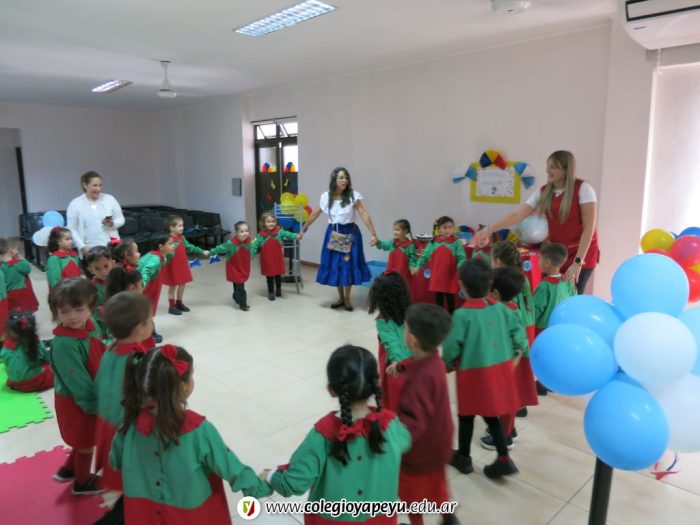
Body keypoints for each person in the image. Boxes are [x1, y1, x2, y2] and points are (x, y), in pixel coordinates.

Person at [110, 345, 272, 523]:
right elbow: (231, 468)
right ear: (183, 387)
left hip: (143, 514)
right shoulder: (198, 430)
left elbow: (115, 460)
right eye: (191, 375)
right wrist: (261, 485)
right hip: (189, 517)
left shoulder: (128, 423)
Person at [262, 345, 411, 524]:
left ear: (331, 390)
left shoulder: (322, 435)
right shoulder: (392, 425)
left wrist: (270, 476)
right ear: (375, 386)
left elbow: (294, 483)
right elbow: (406, 441)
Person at [443, 259, 525, 479]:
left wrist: (446, 364)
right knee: (491, 415)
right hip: (499, 370)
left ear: (461, 284)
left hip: (473, 374)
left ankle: (463, 458)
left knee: (466, 415)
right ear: (490, 284)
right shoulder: (501, 308)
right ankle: (504, 458)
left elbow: (452, 346)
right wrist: (516, 353)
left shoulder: (462, 315)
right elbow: (518, 333)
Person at [474, 151, 599, 294]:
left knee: (572, 296)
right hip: (557, 255)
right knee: (553, 294)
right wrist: (488, 230)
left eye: (553, 167)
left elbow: (589, 229)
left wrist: (577, 263)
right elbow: (517, 215)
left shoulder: (583, 189)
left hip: (580, 253)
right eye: (548, 166)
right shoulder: (544, 191)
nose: (548, 170)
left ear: (566, 169)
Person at [392, 304, 458, 525]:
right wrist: (400, 366)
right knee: (437, 483)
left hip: (419, 450)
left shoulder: (418, 381)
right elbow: (415, 363)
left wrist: (391, 440)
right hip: (440, 440)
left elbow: (413, 423)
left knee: (411, 495)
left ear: (413, 339)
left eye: (405, 328)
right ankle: (448, 517)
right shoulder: (434, 360)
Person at [48, 278, 105, 495]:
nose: (72, 317)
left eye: (79, 309)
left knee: (83, 439)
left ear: (91, 307)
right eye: (64, 312)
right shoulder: (64, 344)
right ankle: (82, 482)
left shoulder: (91, 325)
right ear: (56, 313)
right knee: (86, 443)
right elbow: (77, 382)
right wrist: (94, 406)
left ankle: (69, 469)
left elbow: (100, 345)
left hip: (92, 394)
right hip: (77, 402)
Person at [94, 292, 153, 495]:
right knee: (131, 471)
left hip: (106, 420)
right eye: (150, 319)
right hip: (127, 426)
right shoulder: (138, 359)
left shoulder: (111, 348)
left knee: (116, 467)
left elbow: (99, 382)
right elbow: (147, 395)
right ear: (139, 328)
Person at [301, 167, 378, 311]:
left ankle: (347, 299)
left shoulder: (353, 196)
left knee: (348, 265)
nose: (344, 180)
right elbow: (315, 213)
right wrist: (303, 229)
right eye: (341, 178)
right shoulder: (327, 197)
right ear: (334, 180)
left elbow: (364, 213)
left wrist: (373, 234)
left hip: (350, 234)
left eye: (346, 178)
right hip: (334, 234)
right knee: (337, 265)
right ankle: (341, 298)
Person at [479, 267, 538, 451]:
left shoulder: (505, 313)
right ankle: (509, 430)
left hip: (510, 365)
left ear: (495, 294)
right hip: (510, 363)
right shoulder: (508, 308)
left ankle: (504, 438)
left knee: (506, 402)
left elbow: (518, 342)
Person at [367, 271, 412, 412]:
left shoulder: (383, 320)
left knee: (392, 401)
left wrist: (397, 362)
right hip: (411, 363)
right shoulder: (409, 312)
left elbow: (391, 343)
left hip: (394, 367)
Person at [410, 216, 466, 313]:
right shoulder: (433, 242)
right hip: (438, 277)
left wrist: (460, 268)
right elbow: (424, 256)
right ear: (439, 229)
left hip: (450, 276)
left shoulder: (456, 242)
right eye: (444, 227)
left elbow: (462, 257)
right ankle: (439, 317)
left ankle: (451, 317)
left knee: (450, 299)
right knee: (439, 300)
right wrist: (418, 267)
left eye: (450, 227)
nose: (448, 230)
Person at [66, 171, 125, 258]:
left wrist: (112, 223)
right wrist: (82, 247)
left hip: (113, 244)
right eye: (95, 185)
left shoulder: (110, 199)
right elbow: (72, 229)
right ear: (85, 185)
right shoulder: (75, 204)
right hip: (90, 248)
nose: (98, 189)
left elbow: (121, 219)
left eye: (100, 185)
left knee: (115, 265)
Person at [161, 214, 209, 315]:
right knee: (173, 286)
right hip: (172, 266)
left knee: (182, 284)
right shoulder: (168, 239)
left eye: (182, 225)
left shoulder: (181, 237)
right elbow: (163, 252)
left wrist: (201, 251)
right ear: (171, 227)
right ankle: (172, 306)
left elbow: (189, 246)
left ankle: (179, 303)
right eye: (179, 226)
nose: (182, 227)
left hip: (182, 265)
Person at [0, 309, 53, 392]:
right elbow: (48, 359)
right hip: (33, 383)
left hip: (15, 383)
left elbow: (5, 361)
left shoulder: (6, 347)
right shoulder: (35, 344)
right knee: (54, 370)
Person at [252, 211, 300, 301]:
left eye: (273, 221)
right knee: (269, 276)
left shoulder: (279, 232)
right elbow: (254, 246)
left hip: (277, 259)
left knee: (278, 275)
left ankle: (278, 289)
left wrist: (295, 235)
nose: (271, 223)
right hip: (267, 260)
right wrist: (250, 255)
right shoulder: (260, 235)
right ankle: (271, 292)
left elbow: (287, 234)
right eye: (268, 222)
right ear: (264, 223)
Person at [136, 233, 175, 343]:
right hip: (147, 290)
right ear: (161, 247)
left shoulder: (153, 254)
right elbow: (146, 270)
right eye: (170, 244)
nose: (173, 246)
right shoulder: (156, 259)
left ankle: (151, 331)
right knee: (146, 311)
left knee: (147, 311)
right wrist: (142, 286)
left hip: (150, 288)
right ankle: (149, 334)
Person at [534, 242, 577, 337]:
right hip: (561, 326)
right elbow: (574, 299)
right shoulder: (567, 281)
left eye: (540, 259)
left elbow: (535, 310)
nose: (538, 262)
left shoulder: (544, 286)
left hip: (543, 330)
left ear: (547, 263)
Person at [209, 221, 254, 311]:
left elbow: (252, 249)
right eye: (242, 231)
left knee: (237, 283)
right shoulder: (231, 243)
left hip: (243, 266)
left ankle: (236, 296)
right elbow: (221, 248)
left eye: (247, 231)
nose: (245, 233)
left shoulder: (249, 241)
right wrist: (211, 251)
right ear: (237, 233)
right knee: (240, 284)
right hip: (234, 267)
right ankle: (243, 304)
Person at [0, 237, 39, 313]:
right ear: (11, 250)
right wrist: (21, 258)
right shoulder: (18, 263)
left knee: (13, 311)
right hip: (21, 292)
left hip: (9, 293)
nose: (18, 251)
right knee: (25, 310)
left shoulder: (2, 266)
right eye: (16, 249)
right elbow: (27, 269)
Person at [370, 219, 415, 284]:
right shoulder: (392, 242)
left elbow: (412, 259)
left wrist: (412, 268)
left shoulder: (410, 245)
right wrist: (377, 242)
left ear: (405, 231)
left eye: (397, 230)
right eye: (394, 230)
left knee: (401, 288)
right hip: (391, 273)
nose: (395, 232)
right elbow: (384, 245)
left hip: (403, 275)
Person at [86, 246, 114, 342]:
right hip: (103, 324)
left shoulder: (118, 279)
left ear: (112, 263)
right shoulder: (91, 288)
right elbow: (91, 309)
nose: (103, 272)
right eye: (97, 268)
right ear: (91, 270)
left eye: (106, 266)